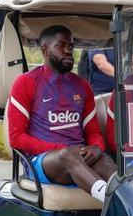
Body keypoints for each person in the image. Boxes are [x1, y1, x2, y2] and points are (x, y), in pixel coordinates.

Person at [7, 25, 117, 203]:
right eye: (61, 46)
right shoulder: (25, 82)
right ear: (45, 50)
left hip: (78, 157)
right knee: (67, 155)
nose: (68, 51)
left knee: (104, 161)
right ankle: (112, 201)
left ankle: (132, 202)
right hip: (41, 162)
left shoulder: (82, 86)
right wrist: (62, 149)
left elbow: (93, 133)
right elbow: (17, 138)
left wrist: (97, 147)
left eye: (71, 47)